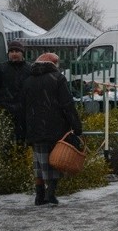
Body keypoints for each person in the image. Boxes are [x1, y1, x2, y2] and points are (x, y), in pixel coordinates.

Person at [22, 53, 82, 206]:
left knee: (39, 162)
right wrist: (76, 125)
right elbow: (67, 104)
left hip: (34, 127)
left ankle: (39, 195)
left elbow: (24, 105)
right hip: (55, 126)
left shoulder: (28, 80)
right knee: (56, 161)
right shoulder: (57, 78)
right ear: (54, 63)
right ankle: (51, 195)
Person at [0, 40, 31, 143]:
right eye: (11, 51)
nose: (14, 54)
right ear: (8, 54)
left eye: (17, 51)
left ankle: (21, 158)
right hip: (5, 110)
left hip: (23, 111)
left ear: (22, 53)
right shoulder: (1, 68)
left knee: (22, 141)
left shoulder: (29, 69)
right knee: (6, 142)